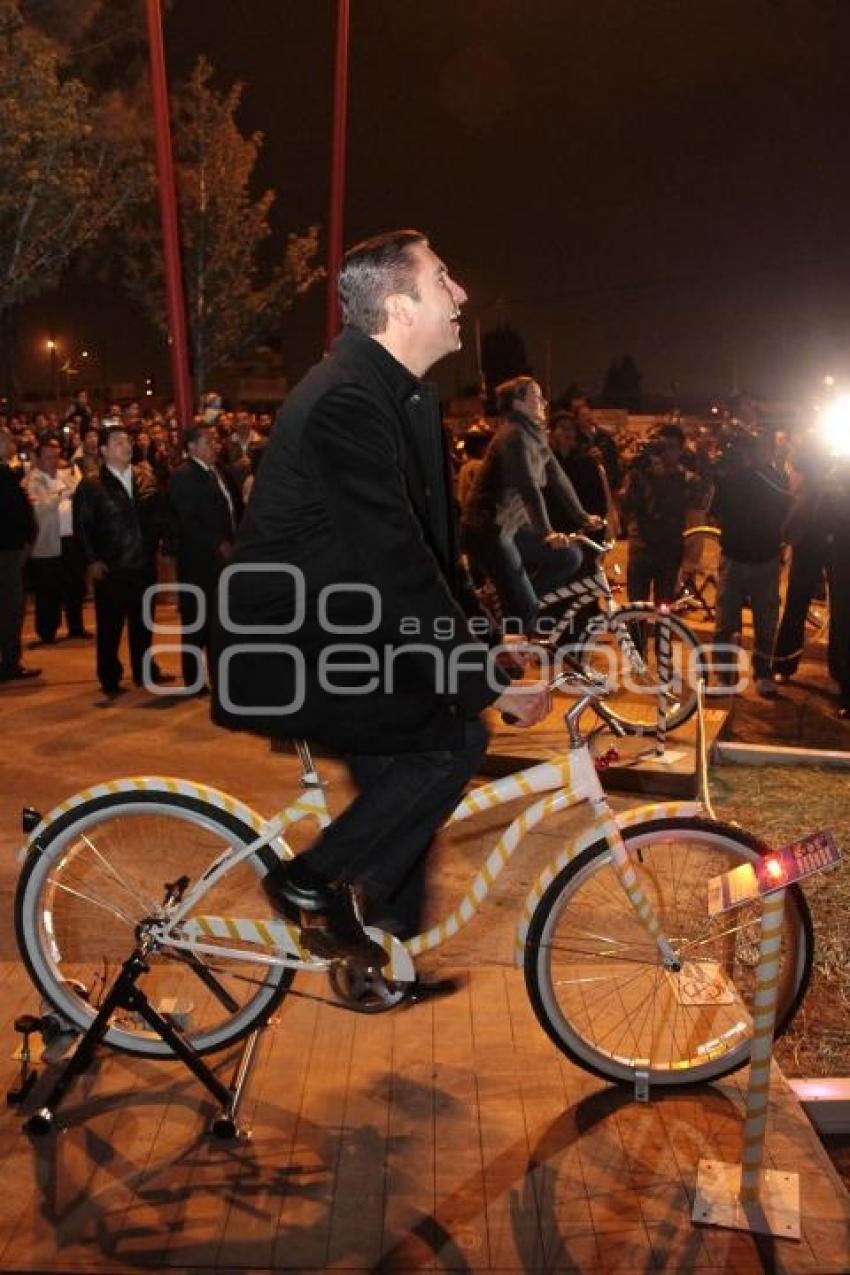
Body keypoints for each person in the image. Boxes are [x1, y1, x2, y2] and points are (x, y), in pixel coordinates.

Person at [213, 229, 551, 967]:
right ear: (400, 307)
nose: (461, 294)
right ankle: (308, 882)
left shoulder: (401, 398)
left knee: (423, 754)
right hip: (291, 646)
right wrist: (485, 682)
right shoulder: (346, 403)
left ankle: (377, 947)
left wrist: (485, 639)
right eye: (444, 280)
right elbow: (396, 565)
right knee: (452, 738)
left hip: (349, 629)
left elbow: (433, 554)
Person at [461, 376, 602, 631]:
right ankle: (508, 653)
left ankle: (512, 602)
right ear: (519, 405)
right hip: (490, 531)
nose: (544, 402)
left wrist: (582, 516)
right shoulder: (513, 437)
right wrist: (547, 532)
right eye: (537, 397)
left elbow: (558, 479)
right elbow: (528, 487)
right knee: (525, 610)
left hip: (514, 528)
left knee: (570, 556)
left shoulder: (534, 435)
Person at [73, 424, 173, 700]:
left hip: (143, 564)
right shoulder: (91, 485)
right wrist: (92, 560)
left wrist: (165, 542)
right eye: (118, 442)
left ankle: (145, 671)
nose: (126, 446)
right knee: (110, 628)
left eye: (128, 441)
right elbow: (82, 526)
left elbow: (160, 516)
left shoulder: (145, 477)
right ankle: (110, 677)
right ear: (103, 450)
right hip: (112, 568)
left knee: (143, 624)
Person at [711, 425, 791, 697]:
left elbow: (785, 511)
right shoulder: (729, 477)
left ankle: (764, 671)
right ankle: (724, 675)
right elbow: (715, 512)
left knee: (765, 621)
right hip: (733, 556)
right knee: (725, 621)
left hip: (765, 558)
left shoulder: (776, 478)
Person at [167, 423, 241, 691]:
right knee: (196, 622)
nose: (215, 445)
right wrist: (217, 542)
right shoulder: (184, 476)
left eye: (214, 441)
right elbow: (188, 519)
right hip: (199, 560)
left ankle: (219, 674)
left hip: (222, 558)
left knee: (218, 621)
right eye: (208, 442)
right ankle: (194, 679)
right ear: (191, 448)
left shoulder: (217, 472)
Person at [620, 424, 712, 605]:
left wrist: (689, 563)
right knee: (635, 609)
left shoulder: (689, 481)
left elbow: (695, 521)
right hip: (640, 548)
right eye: (661, 447)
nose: (665, 452)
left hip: (670, 552)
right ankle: (637, 634)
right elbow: (626, 507)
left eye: (671, 447)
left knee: (665, 611)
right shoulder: (641, 475)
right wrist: (638, 475)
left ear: (680, 450)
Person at [23, 434, 88, 645]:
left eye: (56, 456)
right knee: (48, 590)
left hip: (72, 539)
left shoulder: (67, 474)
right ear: (38, 459)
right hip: (48, 542)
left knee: (75, 585)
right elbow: (39, 508)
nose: (53, 461)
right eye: (48, 457)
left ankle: (76, 627)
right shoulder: (31, 480)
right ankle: (47, 632)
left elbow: (81, 495)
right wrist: (62, 495)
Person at [0, 426, 40, 682]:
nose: (12, 445)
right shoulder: (3, 475)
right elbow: (14, 513)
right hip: (8, 550)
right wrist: (26, 539)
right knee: (11, 607)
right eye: (6, 441)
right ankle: (10, 662)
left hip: (9, 547)